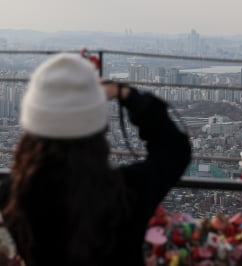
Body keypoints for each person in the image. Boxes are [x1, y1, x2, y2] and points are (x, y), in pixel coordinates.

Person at [1, 54, 191, 266]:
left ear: (30, 132)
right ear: (102, 129)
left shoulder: (13, 196)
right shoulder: (127, 192)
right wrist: (124, 93)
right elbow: (174, 149)